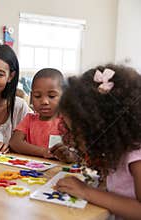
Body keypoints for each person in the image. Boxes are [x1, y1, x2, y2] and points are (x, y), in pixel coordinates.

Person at [55, 64, 141, 219]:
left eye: (76, 132)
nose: (73, 139)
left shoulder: (136, 156)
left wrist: (87, 192)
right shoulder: (118, 149)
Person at [9, 68, 76, 163]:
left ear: (64, 96)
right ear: (31, 97)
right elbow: (14, 143)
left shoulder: (68, 121)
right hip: (31, 170)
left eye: (52, 96)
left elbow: (79, 152)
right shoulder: (29, 119)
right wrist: (43, 151)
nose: (44, 101)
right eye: (37, 96)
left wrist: (69, 155)